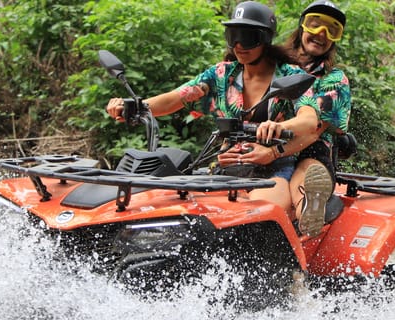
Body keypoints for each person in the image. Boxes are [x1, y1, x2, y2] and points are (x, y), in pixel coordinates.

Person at [105, 1, 320, 211]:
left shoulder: (290, 75)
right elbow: (176, 97)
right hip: (226, 165)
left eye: (245, 38)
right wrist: (134, 106)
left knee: (261, 216)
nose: (237, 45)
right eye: (232, 37)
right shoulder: (222, 74)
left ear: (264, 39)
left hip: (272, 167)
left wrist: (279, 128)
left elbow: (310, 120)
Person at [282, 0, 352, 237]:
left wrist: (273, 153)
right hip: (265, 141)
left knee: (308, 169)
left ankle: (307, 212)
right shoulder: (276, 66)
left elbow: (315, 130)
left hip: (311, 148)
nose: (321, 34)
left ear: (334, 39)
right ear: (302, 27)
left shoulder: (335, 79)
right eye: (315, 24)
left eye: (331, 30)